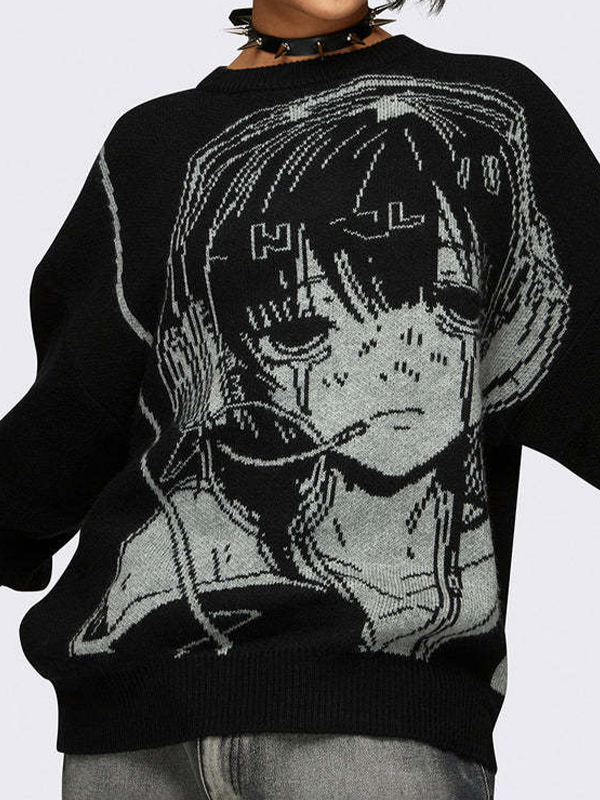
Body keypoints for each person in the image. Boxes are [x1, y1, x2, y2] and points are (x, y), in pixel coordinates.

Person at [2, 0, 599, 797]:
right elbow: (72, 415)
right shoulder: (154, 146)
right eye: (301, 327)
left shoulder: (495, 117)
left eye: (449, 305)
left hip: (378, 736)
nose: (398, 356)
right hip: (131, 739)